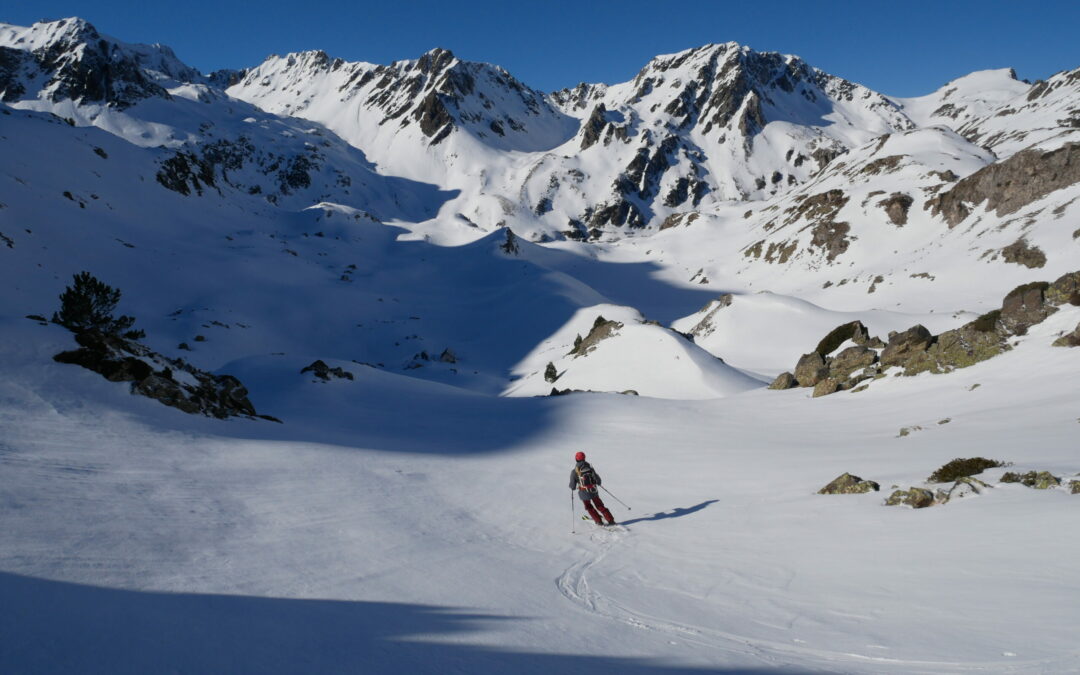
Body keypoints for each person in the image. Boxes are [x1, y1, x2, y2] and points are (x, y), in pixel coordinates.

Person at [570, 451, 616, 526]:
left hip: (583, 492)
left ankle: (598, 521)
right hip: (593, 490)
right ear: (584, 458)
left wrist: (572, 487)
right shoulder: (590, 468)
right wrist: (598, 483)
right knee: (599, 505)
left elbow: (572, 486)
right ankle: (610, 520)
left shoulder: (574, 471)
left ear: (576, 459)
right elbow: (598, 480)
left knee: (589, 507)